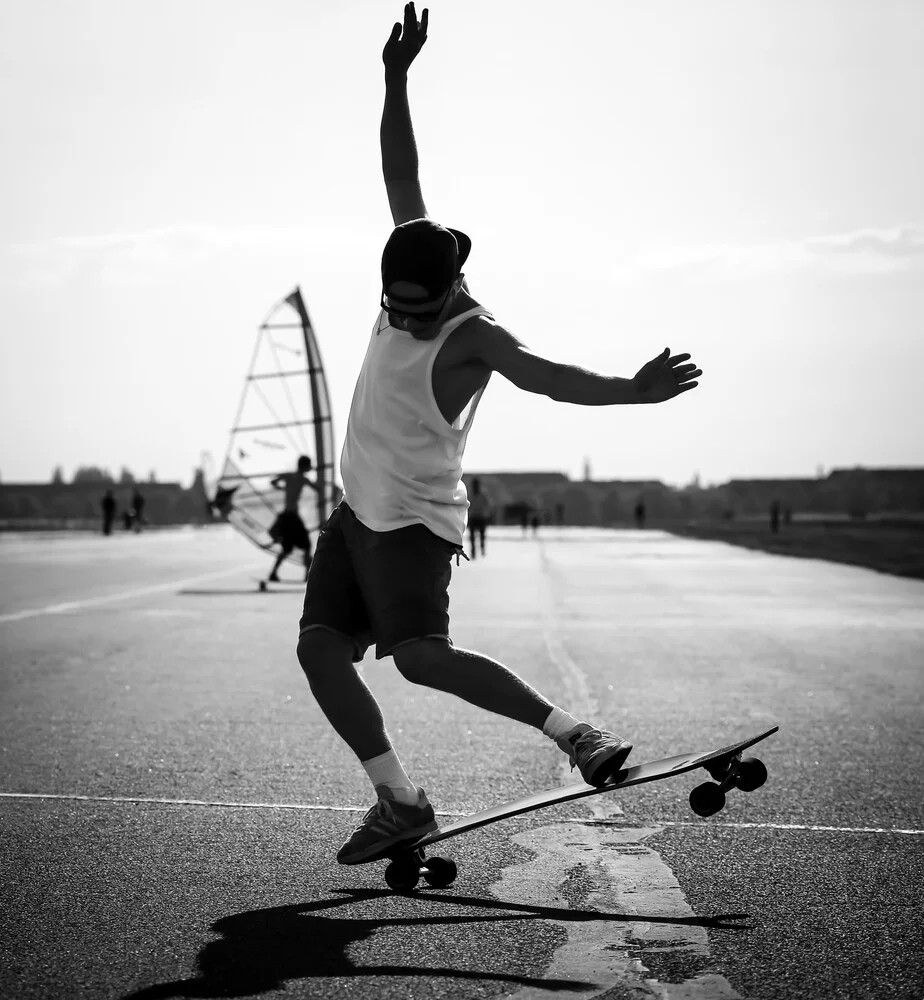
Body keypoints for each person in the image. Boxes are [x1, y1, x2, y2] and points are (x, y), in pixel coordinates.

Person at [296, 2, 704, 866]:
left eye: (417, 312)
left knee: (417, 658)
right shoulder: (413, 251)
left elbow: (546, 376)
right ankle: (400, 801)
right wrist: (395, 79)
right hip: (352, 512)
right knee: (318, 650)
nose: (401, 324)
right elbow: (399, 172)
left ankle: (578, 736)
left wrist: (632, 393)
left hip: (411, 521)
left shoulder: (472, 330)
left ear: (449, 289)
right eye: (390, 310)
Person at [268, 456, 320, 582]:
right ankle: (307, 576)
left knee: (287, 547)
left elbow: (273, 481)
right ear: (305, 466)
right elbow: (318, 488)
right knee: (306, 544)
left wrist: (281, 488)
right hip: (291, 517)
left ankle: (273, 573)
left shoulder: (289, 476)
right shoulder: (302, 479)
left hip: (286, 516)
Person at [467, 477, 493, 558]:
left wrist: (486, 513)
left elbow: (488, 505)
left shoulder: (483, 494)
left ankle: (482, 549)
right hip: (473, 517)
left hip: (481, 517)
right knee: (472, 536)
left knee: (482, 535)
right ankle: (473, 551)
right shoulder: (470, 494)